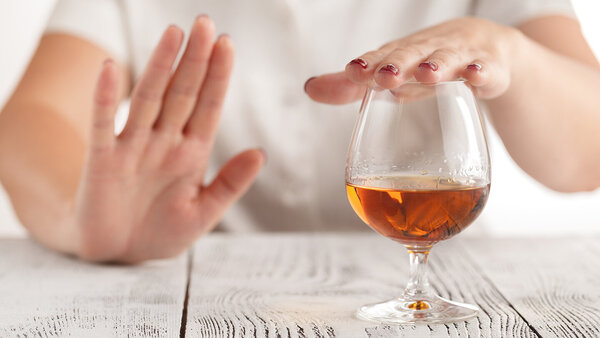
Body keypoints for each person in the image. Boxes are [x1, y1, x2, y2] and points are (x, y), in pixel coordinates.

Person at [0, 0, 598, 262]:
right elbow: (32, 122)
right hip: (211, 297)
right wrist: (80, 217)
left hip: (447, 289)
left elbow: (586, 155)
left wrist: (509, 53)